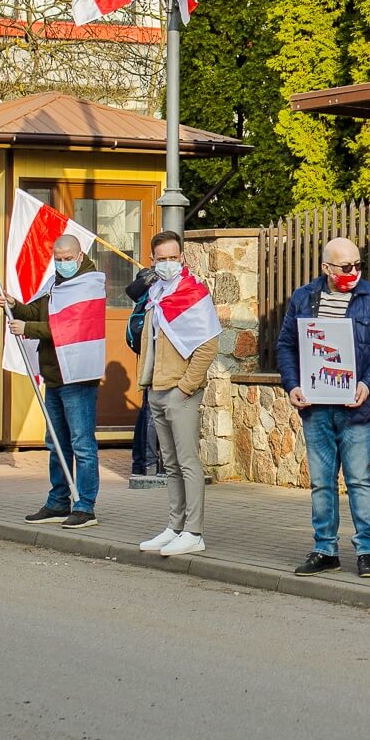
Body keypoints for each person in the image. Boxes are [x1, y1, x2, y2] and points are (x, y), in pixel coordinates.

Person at [277, 237, 370, 578]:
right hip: (316, 407)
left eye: (358, 265)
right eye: (346, 267)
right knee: (321, 482)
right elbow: (286, 345)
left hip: (356, 407)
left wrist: (368, 382)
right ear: (326, 268)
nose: (354, 272)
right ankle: (325, 549)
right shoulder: (304, 299)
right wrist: (293, 384)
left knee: (360, 479)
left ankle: (366, 551)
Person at [7, 235, 106, 530]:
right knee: (56, 443)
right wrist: (14, 304)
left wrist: (28, 328)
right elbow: (37, 312)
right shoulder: (55, 284)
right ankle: (58, 501)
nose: (61, 263)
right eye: (57, 258)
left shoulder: (90, 285)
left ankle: (85, 505)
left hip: (78, 375)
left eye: (66, 258)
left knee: (81, 443)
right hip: (55, 374)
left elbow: (68, 327)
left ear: (79, 256)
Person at [135, 232, 220, 558]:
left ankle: (193, 531)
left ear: (182, 258)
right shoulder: (156, 292)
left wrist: (185, 386)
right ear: (153, 261)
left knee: (187, 462)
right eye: (162, 258)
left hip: (179, 390)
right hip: (156, 387)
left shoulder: (193, 294)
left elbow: (207, 345)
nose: (168, 263)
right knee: (169, 463)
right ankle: (175, 526)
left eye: (174, 257)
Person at [124, 266, 166, 480]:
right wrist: (152, 276)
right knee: (151, 409)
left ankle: (140, 463)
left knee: (146, 409)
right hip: (154, 350)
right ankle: (150, 465)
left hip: (150, 348)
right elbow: (131, 291)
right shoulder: (154, 279)